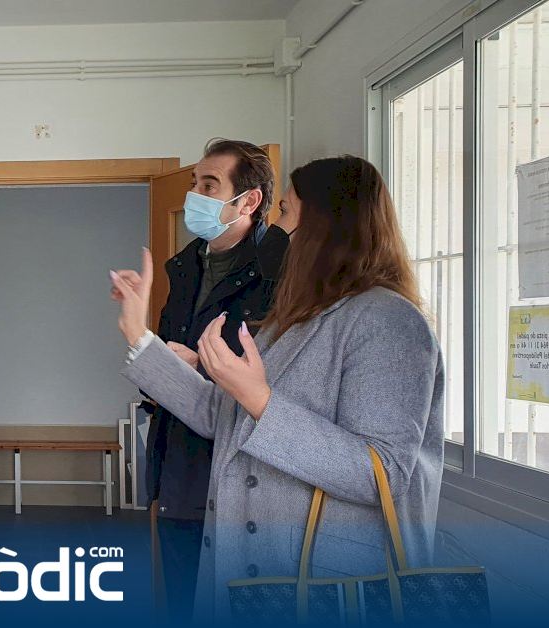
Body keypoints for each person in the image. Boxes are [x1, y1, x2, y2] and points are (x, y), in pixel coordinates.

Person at [110, 156, 444, 622]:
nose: (277, 227)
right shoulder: (294, 318)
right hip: (251, 566)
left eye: (285, 211)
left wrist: (258, 398)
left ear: (325, 225)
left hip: (330, 585)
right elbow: (220, 416)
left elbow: (382, 475)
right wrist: (137, 333)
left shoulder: (387, 321)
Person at [137, 138, 292, 622]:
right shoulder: (186, 267)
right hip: (179, 473)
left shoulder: (282, 271)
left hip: (242, 477)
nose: (195, 196)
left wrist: (198, 366)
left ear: (249, 201)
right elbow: (165, 359)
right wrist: (150, 357)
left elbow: (282, 379)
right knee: (181, 605)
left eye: (209, 185)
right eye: (194, 184)